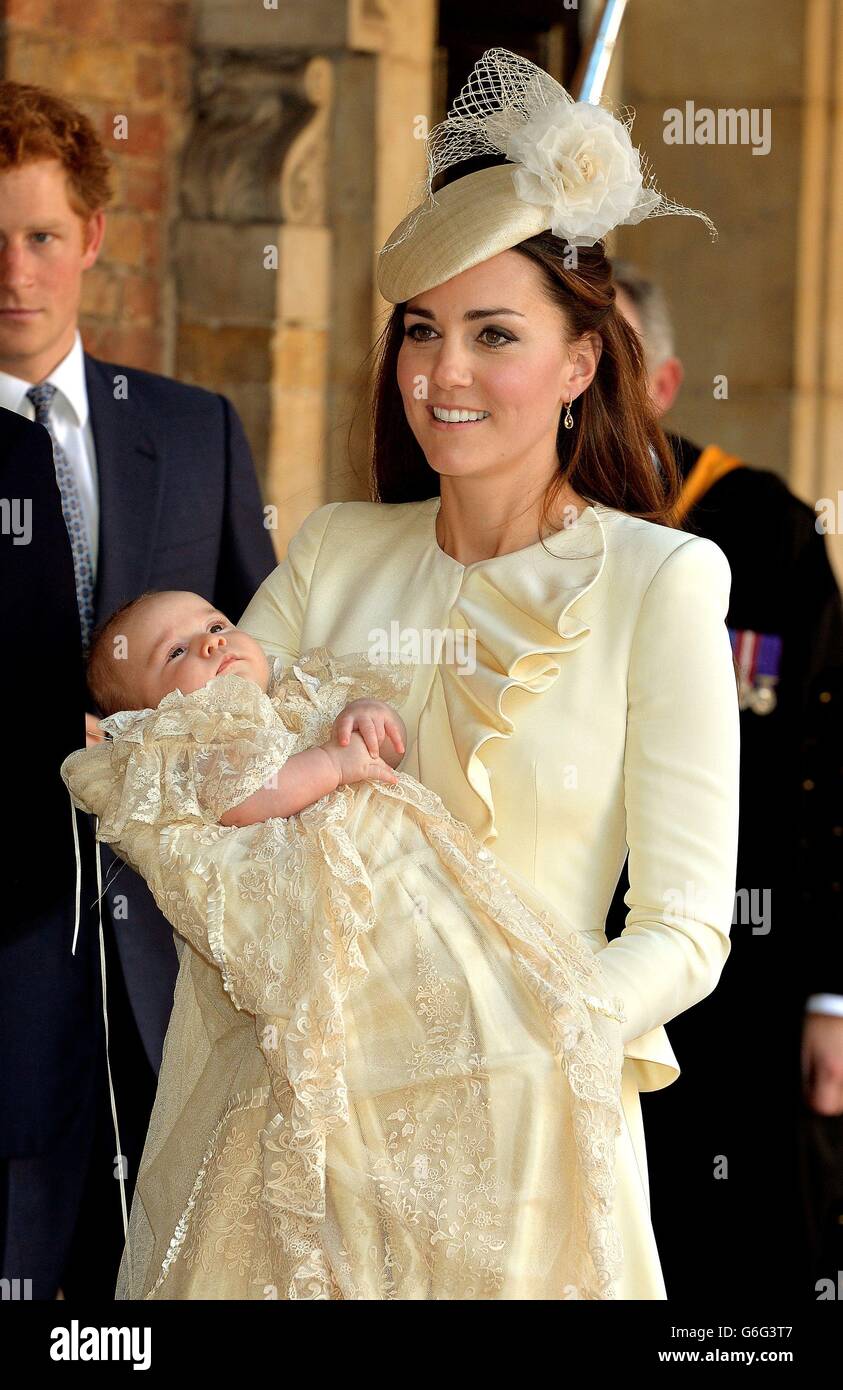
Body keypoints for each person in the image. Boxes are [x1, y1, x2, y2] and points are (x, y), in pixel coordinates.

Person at [234, 48, 741, 1299]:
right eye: (421, 332)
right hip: (311, 1146)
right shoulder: (333, 552)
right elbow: (210, 775)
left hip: (531, 1157)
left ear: (580, 365)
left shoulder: (662, 580)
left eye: (491, 335)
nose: (440, 374)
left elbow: (684, 927)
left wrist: (543, 1030)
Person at [61, 588, 628, 1300]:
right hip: (340, 961)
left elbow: (365, 724)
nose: (210, 643)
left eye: (214, 625)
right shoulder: (182, 748)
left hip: (420, 915)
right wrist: (330, 765)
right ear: (142, 713)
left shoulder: (299, 696)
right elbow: (243, 795)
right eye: (175, 652)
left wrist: (364, 718)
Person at [0, 81, 276, 1300]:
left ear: (93, 240)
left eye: (42, 236)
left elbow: (259, 654)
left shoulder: (197, 429)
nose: (14, 272)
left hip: (181, 972)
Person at [608, 259, 843, 1300]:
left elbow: (832, 768)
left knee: (740, 1255)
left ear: (663, 383)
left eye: (610, 363)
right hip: (580, 956)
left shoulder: (769, 531)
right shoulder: (521, 527)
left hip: (743, 972)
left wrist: (834, 996)